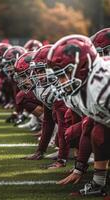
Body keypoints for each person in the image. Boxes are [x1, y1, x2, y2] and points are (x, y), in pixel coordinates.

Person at [47, 34, 110, 196]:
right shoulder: (80, 88)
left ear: (82, 66)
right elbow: (90, 125)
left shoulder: (103, 86)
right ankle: (98, 183)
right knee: (94, 129)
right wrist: (79, 168)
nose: (60, 82)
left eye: (63, 75)